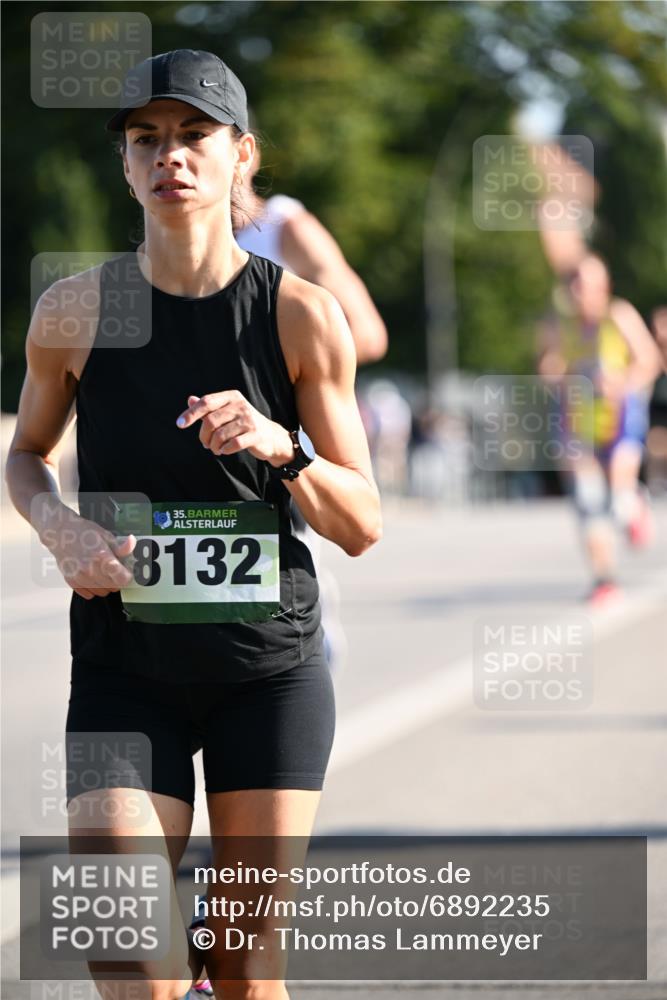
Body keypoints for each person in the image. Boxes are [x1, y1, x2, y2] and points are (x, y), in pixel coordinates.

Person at [5, 48, 382, 1000]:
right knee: (126, 944)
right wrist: (57, 525)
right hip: (125, 671)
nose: (171, 156)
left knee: (249, 970)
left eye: (195, 135)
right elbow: (26, 454)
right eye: (147, 140)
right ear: (126, 166)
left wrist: (280, 445)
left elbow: (362, 522)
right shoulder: (75, 310)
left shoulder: (301, 317)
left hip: (267, 675)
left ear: (240, 154)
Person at [537, 254, 662, 604]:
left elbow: (649, 361)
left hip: (620, 420)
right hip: (577, 424)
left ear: (604, 286)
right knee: (587, 500)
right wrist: (556, 373)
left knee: (618, 501)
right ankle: (604, 578)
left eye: (589, 283)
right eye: (575, 282)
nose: (581, 290)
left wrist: (621, 382)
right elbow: (547, 367)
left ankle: (633, 506)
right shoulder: (559, 324)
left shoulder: (618, 315)